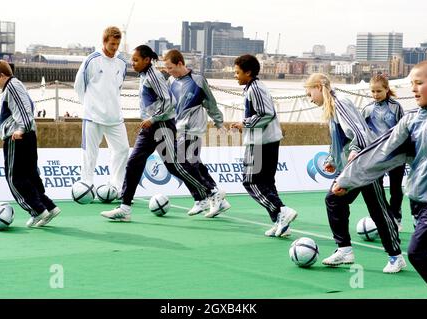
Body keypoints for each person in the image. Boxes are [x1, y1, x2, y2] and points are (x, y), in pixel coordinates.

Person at [333, 61, 427, 289]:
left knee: (416, 253)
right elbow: (379, 152)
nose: (414, 89)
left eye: (420, 83)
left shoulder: (399, 110)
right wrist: (347, 179)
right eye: (412, 84)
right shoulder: (411, 120)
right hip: (418, 202)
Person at [101, 45, 226, 221]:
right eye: (132, 60)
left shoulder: (154, 76)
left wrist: (153, 119)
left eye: (136, 60)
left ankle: (211, 192)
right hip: (149, 128)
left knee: (175, 164)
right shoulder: (147, 76)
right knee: (134, 163)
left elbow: (168, 103)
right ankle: (125, 207)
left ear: (146, 60)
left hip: (162, 126)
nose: (133, 63)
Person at [304, 73, 404, 273]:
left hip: (364, 164)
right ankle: (345, 249)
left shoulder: (340, 102)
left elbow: (358, 132)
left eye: (309, 93)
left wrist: (356, 153)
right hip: (355, 167)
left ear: (317, 87)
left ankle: (395, 256)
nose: (310, 98)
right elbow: (340, 138)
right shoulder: (333, 107)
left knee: (378, 210)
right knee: (334, 200)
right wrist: (333, 161)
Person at [0, 60, 61, 227]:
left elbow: (23, 109)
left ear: (2, 76)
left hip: (17, 137)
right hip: (26, 135)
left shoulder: (11, 86)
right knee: (30, 174)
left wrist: (21, 129)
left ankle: (38, 211)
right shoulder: (17, 85)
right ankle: (48, 206)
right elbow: (29, 106)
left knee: (14, 178)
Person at [231, 54, 297, 237]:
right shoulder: (255, 87)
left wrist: (244, 124)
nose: (235, 76)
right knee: (267, 183)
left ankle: (281, 211)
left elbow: (265, 114)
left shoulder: (255, 89)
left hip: (260, 142)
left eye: (237, 72)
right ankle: (280, 222)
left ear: (248, 72)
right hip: (268, 140)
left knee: (250, 181)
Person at [163, 49, 231, 217]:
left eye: (170, 67)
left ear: (180, 63)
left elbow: (210, 102)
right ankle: (204, 198)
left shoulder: (198, 80)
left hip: (193, 128)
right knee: (194, 164)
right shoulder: (171, 81)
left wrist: (219, 121)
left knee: (184, 164)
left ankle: (211, 193)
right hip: (178, 129)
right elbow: (169, 105)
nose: (168, 71)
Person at [74, 26, 129, 194]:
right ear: (104, 41)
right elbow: (79, 86)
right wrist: (90, 106)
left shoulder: (122, 61)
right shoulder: (92, 60)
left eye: (117, 44)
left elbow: (117, 87)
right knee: (89, 153)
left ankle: (116, 187)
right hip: (92, 116)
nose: (115, 48)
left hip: (115, 117)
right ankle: (86, 187)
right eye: (112, 44)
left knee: (123, 150)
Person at [362, 74, 405, 231]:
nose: (375, 95)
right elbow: (362, 132)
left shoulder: (396, 107)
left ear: (387, 89)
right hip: (376, 156)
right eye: (372, 91)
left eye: (379, 91)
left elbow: (404, 129)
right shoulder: (367, 109)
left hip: (395, 154)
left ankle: (396, 217)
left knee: (395, 188)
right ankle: (387, 217)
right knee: (377, 189)